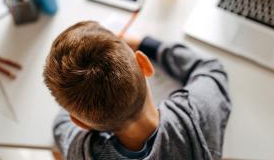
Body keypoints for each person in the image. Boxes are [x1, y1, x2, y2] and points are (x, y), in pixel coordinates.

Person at [43, 21, 231, 160]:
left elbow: (60, 125)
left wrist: (77, 95)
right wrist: (147, 44)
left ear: (80, 123)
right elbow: (211, 68)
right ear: (145, 64)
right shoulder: (196, 118)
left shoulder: (81, 152)